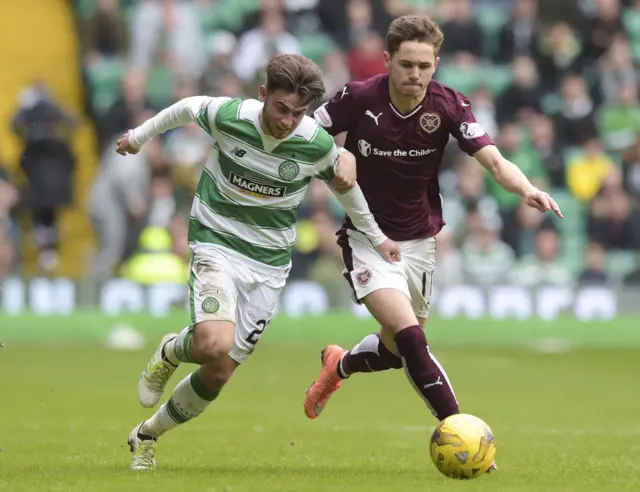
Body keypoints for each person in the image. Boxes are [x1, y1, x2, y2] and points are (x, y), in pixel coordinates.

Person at [115, 53, 400, 471]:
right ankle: (172, 351)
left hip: (268, 264)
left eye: (297, 112)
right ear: (264, 94)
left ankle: (146, 434)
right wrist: (138, 138)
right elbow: (185, 108)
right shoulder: (230, 115)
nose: (287, 120)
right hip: (216, 241)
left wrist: (377, 238)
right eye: (281, 108)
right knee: (214, 342)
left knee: (219, 373)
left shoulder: (314, 142)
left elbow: (346, 188)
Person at [304, 15, 563, 458]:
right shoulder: (358, 97)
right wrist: (335, 155)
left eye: (425, 65)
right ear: (387, 60)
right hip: (367, 238)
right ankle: (464, 435)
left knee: (395, 350)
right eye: (407, 64)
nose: (416, 75)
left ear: (437, 63)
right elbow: (307, 134)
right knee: (411, 337)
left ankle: (340, 364)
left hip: (420, 242)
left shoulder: (449, 105)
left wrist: (529, 189)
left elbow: (496, 163)